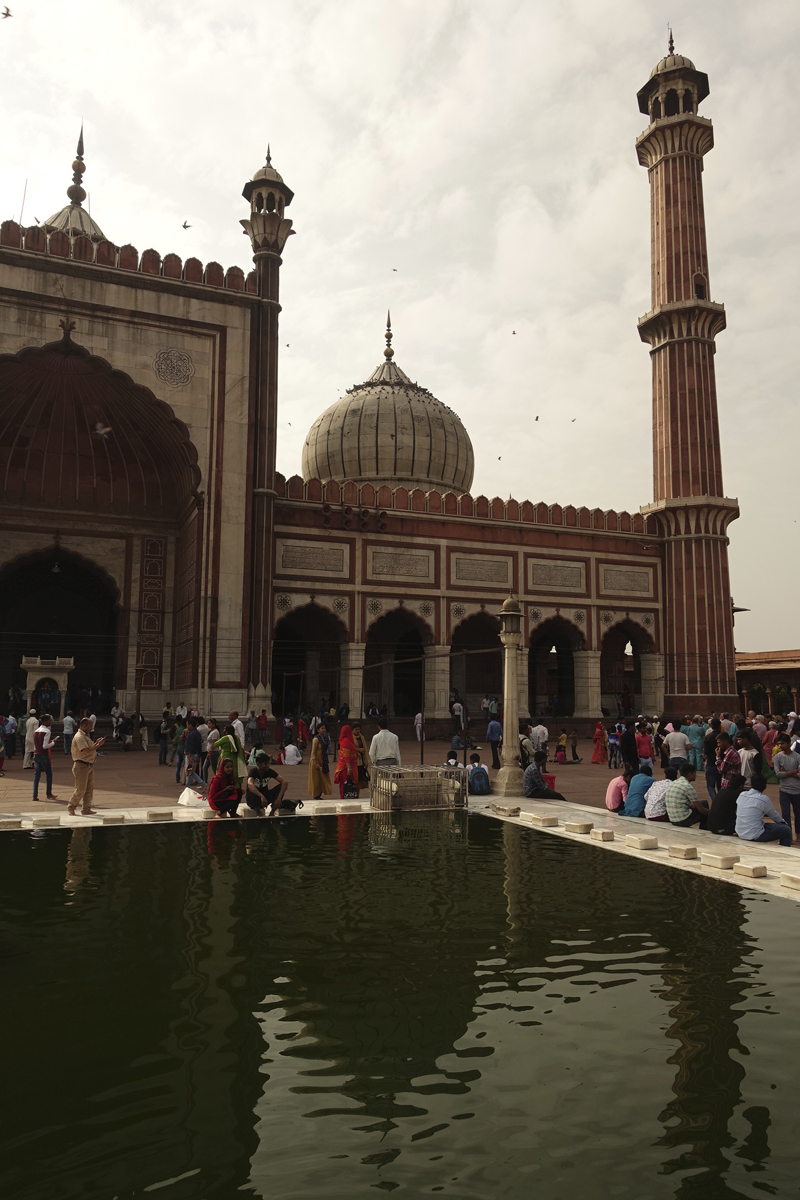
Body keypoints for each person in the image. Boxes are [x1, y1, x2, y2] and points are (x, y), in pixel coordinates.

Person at [735, 774, 792, 846]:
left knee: (764, 824)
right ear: (765, 787)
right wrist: (784, 823)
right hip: (755, 834)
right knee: (786, 830)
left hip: (740, 831)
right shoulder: (763, 799)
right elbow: (774, 815)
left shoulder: (742, 794)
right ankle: (785, 853)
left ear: (751, 785)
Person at [68, 717, 105, 816]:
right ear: (84, 726)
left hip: (89, 765)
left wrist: (96, 743)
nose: (91, 728)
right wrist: (98, 745)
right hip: (81, 766)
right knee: (81, 789)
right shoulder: (79, 737)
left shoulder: (85, 736)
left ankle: (86, 809)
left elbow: (90, 748)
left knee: (89, 789)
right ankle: (71, 806)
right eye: (90, 726)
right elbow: (86, 751)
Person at [773, 734, 800, 843]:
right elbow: (778, 773)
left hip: (797, 790)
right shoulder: (778, 757)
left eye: (782, 743)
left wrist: (786, 772)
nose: (780, 746)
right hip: (784, 789)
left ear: (789, 743)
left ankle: (798, 835)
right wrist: (793, 771)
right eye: (779, 744)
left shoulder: (797, 757)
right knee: (785, 814)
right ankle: (786, 835)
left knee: (798, 813)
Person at [708, 771, 746, 836]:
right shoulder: (735, 795)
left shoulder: (722, 791)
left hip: (712, 827)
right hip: (722, 828)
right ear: (741, 786)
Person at [32, 714, 59, 801]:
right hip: (43, 755)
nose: (50, 722)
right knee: (49, 774)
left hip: (36, 754)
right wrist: (53, 742)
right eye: (49, 720)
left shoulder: (36, 731)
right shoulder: (47, 731)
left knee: (37, 775)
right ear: (46, 721)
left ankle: (34, 795)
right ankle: (48, 793)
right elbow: (45, 746)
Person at [308, 723, 332, 799]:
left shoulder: (325, 738)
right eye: (322, 728)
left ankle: (319, 794)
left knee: (323, 779)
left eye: (324, 728)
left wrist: (326, 752)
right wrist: (314, 763)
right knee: (316, 780)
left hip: (323, 761)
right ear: (318, 730)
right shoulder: (316, 739)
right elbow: (313, 752)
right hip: (316, 761)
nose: (324, 730)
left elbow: (324, 748)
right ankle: (316, 795)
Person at [703, 717, 722, 800]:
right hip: (722, 763)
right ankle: (720, 800)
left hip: (711, 763)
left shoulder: (708, 737)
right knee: (720, 785)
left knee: (710, 785)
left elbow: (706, 751)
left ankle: (715, 800)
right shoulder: (723, 737)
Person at [183, 718, 205, 788]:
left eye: (187, 725)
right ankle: (187, 786)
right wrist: (198, 755)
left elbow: (191, 746)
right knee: (189, 771)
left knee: (190, 771)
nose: (187, 726)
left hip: (191, 754)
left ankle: (202, 783)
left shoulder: (192, 734)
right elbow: (198, 745)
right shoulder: (197, 733)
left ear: (190, 725)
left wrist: (189, 756)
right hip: (195, 754)